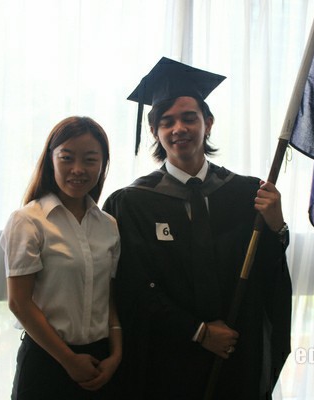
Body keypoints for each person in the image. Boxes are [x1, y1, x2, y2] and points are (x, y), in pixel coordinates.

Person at [103, 57, 292, 400]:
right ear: (155, 131)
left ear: (208, 123)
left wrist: (277, 227)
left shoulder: (248, 193)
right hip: (167, 360)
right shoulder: (131, 204)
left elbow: (267, 273)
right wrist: (199, 331)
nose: (179, 128)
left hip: (235, 354)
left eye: (189, 118)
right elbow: (133, 287)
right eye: (167, 121)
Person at [0, 116, 122, 399]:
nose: (78, 169)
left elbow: (109, 298)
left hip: (100, 361)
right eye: (67, 158)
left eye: (90, 160)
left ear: (103, 164)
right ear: (50, 160)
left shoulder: (108, 225)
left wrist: (116, 354)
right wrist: (69, 360)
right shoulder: (28, 221)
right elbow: (19, 303)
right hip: (47, 360)